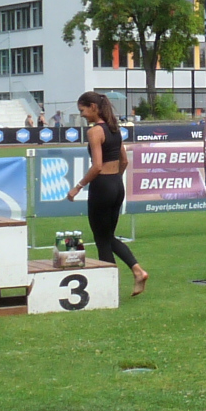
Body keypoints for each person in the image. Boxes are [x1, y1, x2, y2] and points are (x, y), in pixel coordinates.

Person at [66, 91, 149, 296]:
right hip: (116, 185)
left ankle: (108, 290)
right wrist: (114, 181)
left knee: (102, 239)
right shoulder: (115, 129)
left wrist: (78, 186)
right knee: (108, 236)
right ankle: (137, 271)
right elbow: (124, 161)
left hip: (102, 186)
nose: (82, 115)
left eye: (82, 110)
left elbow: (96, 166)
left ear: (93, 107)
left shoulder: (95, 132)